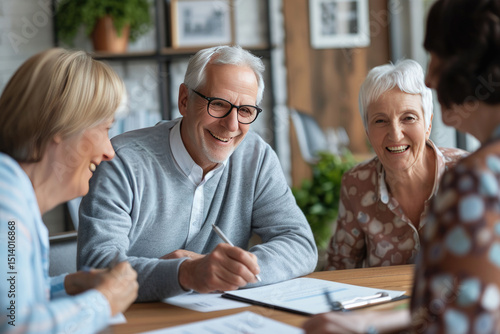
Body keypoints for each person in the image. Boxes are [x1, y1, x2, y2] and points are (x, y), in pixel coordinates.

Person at [303, 0, 500, 332]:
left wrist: (367, 327)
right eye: (379, 121)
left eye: (437, 56)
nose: (432, 78)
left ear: (473, 62)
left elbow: (456, 322)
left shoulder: (472, 177)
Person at [77, 45, 318, 302]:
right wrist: (186, 273)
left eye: (245, 111)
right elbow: (97, 267)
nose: (232, 125)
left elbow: (300, 244)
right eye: (218, 104)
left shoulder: (256, 158)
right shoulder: (122, 161)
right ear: (184, 100)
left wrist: (228, 272)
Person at [0, 48, 138, 333]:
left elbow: (15, 302)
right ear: (62, 123)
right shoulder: (6, 200)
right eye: (105, 129)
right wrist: (105, 301)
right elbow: (16, 325)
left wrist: (70, 284)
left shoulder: (17, 194)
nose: (110, 151)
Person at [326, 59, 466, 270]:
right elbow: (339, 269)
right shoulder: (356, 184)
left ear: (428, 124)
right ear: (367, 131)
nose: (395, 134)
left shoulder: (469, 173)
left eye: (408, 118)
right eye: (380, 121)